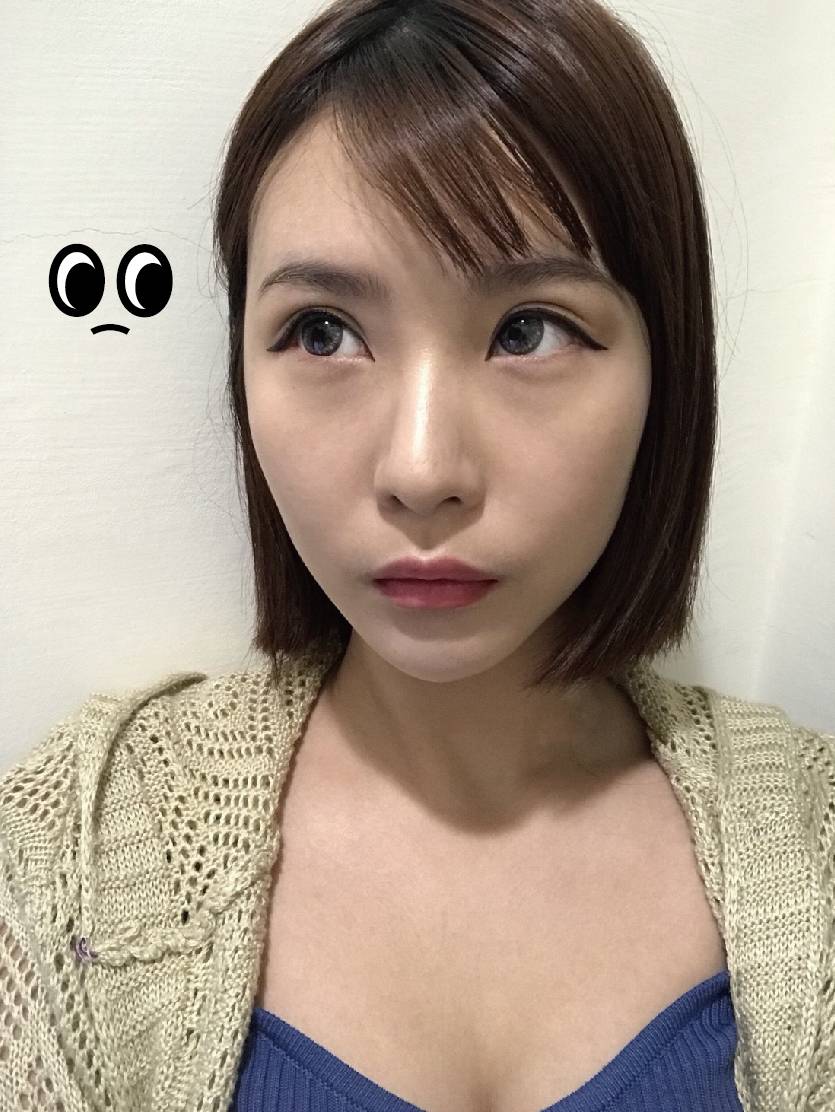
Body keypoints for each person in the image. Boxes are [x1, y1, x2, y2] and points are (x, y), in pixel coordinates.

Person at [2, 1, 832, 1110]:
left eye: (529, 328)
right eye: (323, 331)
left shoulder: (814, 841)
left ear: (663, 371)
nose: (422, 468)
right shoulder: (68, 856)